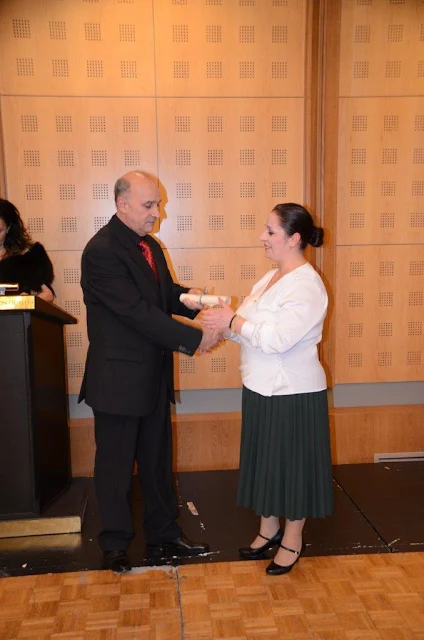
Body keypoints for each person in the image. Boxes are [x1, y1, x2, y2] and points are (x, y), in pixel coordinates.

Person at [79, 171, 219, 573]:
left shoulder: (149, 245)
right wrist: (195, 339)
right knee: (116, 467)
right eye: (149, 205)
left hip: (152, 376)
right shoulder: (101, 251)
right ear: (122, 204)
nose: (157, 213)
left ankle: (164, 534)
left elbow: (163, 294)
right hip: (118, 381)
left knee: (157, 463)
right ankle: (115, 544)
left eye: (158, 204)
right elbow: (136, 312)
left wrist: (196, 300)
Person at [202, 202, 333, 576]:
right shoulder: (269, 278)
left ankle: (292, 539)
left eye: (271, 231)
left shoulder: (307, 285)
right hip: (260, 388)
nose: (262, 236)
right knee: (266, 463)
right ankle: (269, 528)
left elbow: (277, 340)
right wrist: (222, 323)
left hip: (292, 392)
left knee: (293, 468)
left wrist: (233, 321)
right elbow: (248, 328)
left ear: (293, 239)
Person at [0, 198, 55, 302]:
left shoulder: (26, 256)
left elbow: (48, 295)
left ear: (9, 227)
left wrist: (25, 302)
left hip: (15, 311)